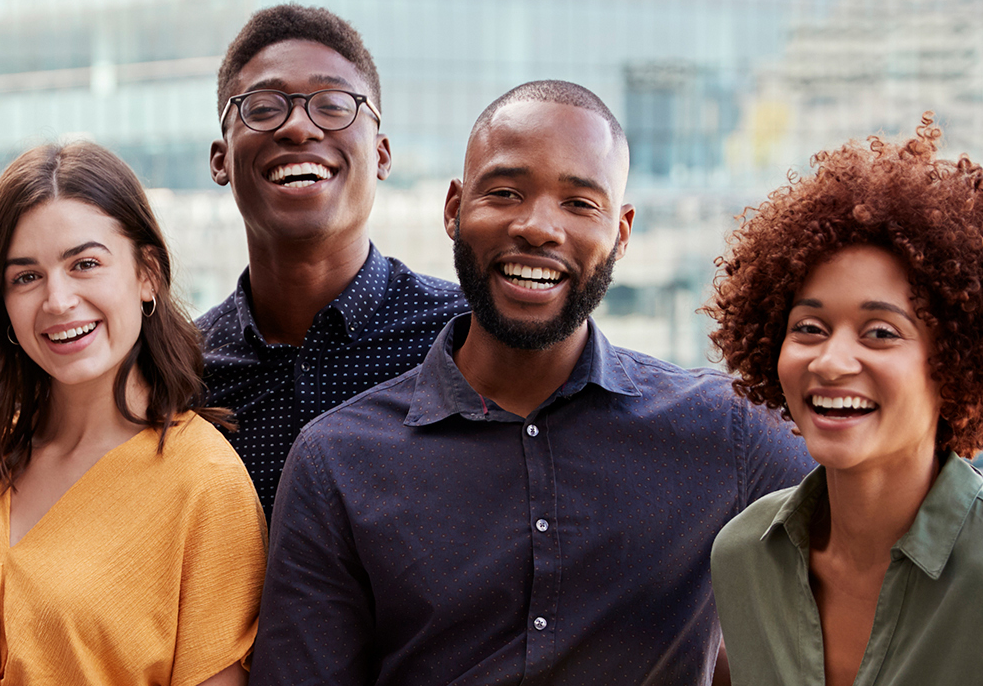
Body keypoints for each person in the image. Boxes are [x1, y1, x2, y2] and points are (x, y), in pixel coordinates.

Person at [251, 81, 815, 686]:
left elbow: (891, 532)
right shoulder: (337, 460)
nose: (539, 227)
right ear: (453, 209)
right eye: (504, 192)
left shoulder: (724, 431)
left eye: (580, 203)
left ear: (621, 234)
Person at [705, 116, 983, 685]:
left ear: (956, 363)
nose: (830, 361)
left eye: (880, 332)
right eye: (808, 327)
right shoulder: (743, 558)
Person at [0, 143, 266, 685]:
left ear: (146, 272)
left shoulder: (206, 484)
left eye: (84, 264)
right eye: (26, 277)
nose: (58, 300)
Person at [199, 5, 468, 518]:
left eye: (333, 104)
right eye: (262, 107)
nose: (299, 127)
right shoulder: (176, 372)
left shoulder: (464, 336)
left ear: (383, 154)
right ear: (221, 159)